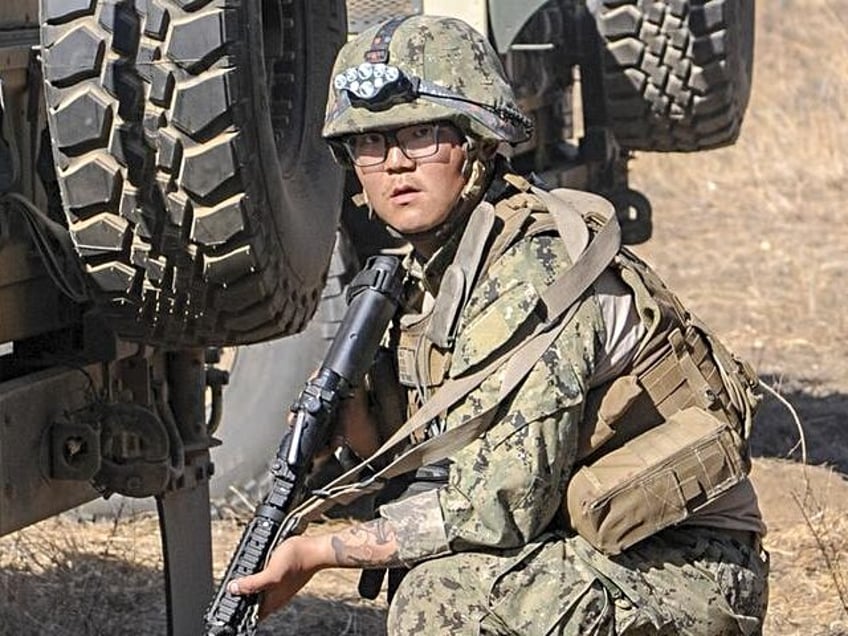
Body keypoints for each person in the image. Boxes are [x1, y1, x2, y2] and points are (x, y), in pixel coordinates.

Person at [227, 15, 769, 634]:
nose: (394, 165)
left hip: (686, 567)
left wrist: (320, 551)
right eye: (369, 144)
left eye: (421, 135)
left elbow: (502, 505)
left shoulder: (534, 267)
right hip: (585, 542)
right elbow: (440, 459)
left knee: (442, 597)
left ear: (478, 142)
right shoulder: (424, 272)